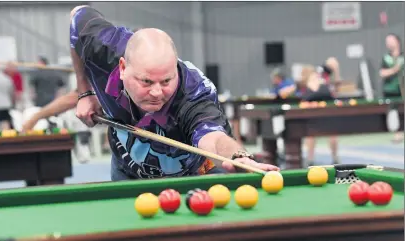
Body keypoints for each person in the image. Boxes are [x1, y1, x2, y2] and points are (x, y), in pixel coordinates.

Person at [69, 5, 279, 181]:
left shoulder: (194, 96)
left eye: (167, 80)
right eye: (146, 81)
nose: (157, 92)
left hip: (193, 175)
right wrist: (84, 92)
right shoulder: (103, 47)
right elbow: (77, 16)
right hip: (127, 167)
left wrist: (237, 156)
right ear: (123, 68)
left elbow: (212, 137)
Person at [299, 57, 341, 166]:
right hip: (311, 114)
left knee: (333, 134)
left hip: (327, 112)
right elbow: (304, 99)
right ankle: (310, 159)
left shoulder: (323, 79)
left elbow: (334, 90)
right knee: (311, 135)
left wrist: (336, 71)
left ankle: (335, 157)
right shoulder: (306, 86)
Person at [379, 33, 404, 143]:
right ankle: (395, 133)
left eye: (390, 40)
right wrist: (394, 70)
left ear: (397, 41)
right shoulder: (386, 58)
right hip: (390, 90)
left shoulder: (403, 57)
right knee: (392, 112)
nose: (388, 43)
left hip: (402, 89)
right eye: (387, 41)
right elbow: (382, 73)